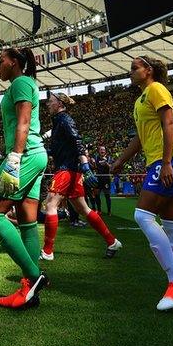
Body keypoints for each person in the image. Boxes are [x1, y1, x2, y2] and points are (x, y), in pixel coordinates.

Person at [112, 56, 173, 311]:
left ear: (148, 71)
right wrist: (120, 161)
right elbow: (140, 139)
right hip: (162, 161)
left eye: (134, 68)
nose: (130, 73)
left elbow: (169, 122)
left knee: (142, 216)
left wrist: (166, 162)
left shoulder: (156, 89)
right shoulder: (139, 100)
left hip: (169, 160)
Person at [0, 48, 49, 309]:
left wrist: (15, 156)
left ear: (14, 63)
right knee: (27, 220)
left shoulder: (21, 82)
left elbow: (23, 122)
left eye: (1, 61)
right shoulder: (24, 83)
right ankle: (28, 289)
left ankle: (34, 277)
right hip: (33, 154)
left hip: (26, 155)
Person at [40, 93, 121, 260]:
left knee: (50, 204)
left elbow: (78, 142)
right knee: (83, 209)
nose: (48, 103)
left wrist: (85, 166)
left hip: (66, 170)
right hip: (70, 170)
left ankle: (47, 251)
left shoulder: (64, 120)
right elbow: (58, 149)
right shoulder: (58, 122)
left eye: (51, 101)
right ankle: (112, 241)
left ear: (60, 103)